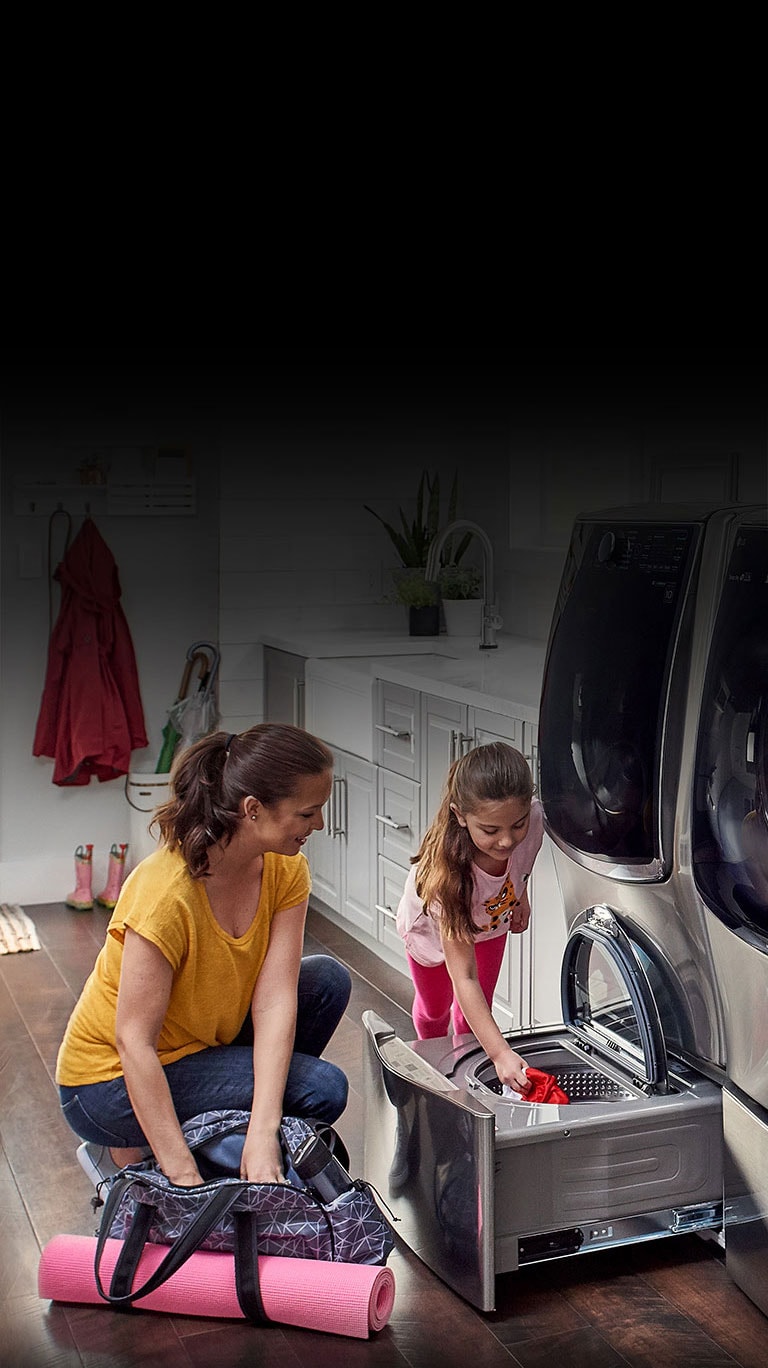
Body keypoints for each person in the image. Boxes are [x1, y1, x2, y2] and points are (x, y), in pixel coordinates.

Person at [57, 723, 351, 1187]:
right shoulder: (165, 894)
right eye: (307, 813)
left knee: (327, 981)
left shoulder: (285, 867)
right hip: (107, 1084)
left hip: (199, 1046)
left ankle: (226, 1130)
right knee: (322, 1089)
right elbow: (134, 1042)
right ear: (253, 810)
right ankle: (126, 1157)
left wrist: (263, 1128)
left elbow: (275, 999)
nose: (318, 825)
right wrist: (183, 1178)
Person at [396, 742, 543, 1094]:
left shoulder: (534, 819)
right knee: (435, 1010)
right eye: (490, 831)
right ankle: (430, 1065)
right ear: (461, 816)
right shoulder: (449, 881)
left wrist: (520, 896)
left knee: (476, 1010)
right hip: (431, 936)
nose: (507, 840)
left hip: (491, 922)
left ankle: (466, 1081)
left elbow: (523, 862)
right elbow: (463, 977)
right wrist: (502, 1053)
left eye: (517, 825)